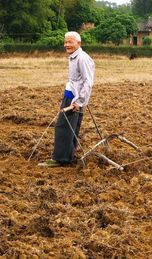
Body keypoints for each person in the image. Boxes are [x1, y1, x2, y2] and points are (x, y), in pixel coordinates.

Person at [39, 31, 95, 167]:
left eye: (70, 42)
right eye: (65, 42)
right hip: (70, 95)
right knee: (69, 128)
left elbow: (88, 82)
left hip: (74, 99)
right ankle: (66, 157)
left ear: (78, 43)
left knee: (63, 127)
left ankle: (60, 159)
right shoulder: (73, 57)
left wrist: (79, 102)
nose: (66, 45)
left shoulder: (83, 58)